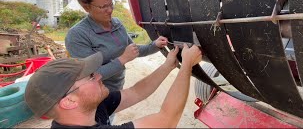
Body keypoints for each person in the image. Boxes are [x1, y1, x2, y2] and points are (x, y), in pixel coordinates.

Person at [25, 44, 202, 128]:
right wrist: (186, 65)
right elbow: (167, 120)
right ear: (69, 101)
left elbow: (136, 92)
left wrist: (167, 66)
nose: (100, 75)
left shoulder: (86, 109)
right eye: (91, 76)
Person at [65, 0, 168, 93]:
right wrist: (122, 59)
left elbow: (132, 49)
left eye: (111, 4)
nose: (110, 10)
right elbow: (89, 77)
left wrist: (155, 45)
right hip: (94, 96)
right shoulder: (77, 35)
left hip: (117, 89)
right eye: (103, 6)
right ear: (86, 7)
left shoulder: (116, 23)